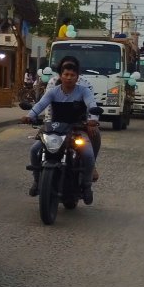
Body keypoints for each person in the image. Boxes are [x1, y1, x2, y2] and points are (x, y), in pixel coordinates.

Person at [20, 57, 99, 203]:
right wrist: (29, 116)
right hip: (55, 129)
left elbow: (91, 104)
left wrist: (93, 119)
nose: (69, 78)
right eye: (66, 74)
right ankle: (37, 181)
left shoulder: (84, 91)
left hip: (77, 129)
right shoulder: (53, 91)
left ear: (77, 77)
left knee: (88, 154)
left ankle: (87, 186)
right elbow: (40, 105)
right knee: (34, 150)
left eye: (72, 75)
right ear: (60, 75)